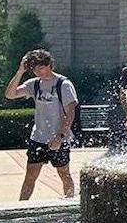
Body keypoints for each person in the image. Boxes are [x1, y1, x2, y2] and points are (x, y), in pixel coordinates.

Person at [6, 49, 78, 200]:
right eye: (34, 68)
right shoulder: (34, 84)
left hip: (59, 138)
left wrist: (60, 136)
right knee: (30, 176)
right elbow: (10, 94)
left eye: (41, 67)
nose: (38, 72)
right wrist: (20, 72)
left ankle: (70, 204)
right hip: (38, 138)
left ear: (49, 65)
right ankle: (21, 208)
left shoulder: (63, 84)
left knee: (64, 173)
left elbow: (71, 112)